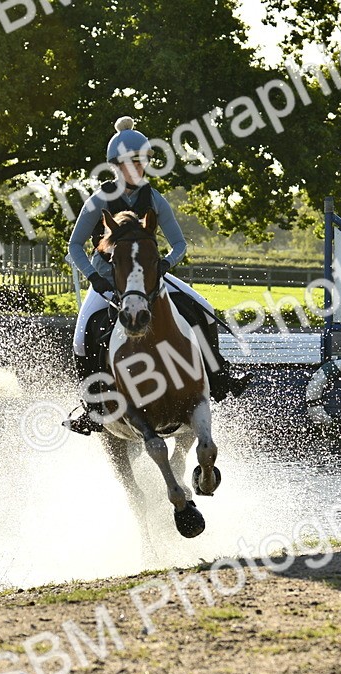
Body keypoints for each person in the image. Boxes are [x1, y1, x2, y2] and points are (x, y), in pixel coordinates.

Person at [63, 116, 250, 435]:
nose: (138, 168)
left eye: (143, 161)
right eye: (131, 162)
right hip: (109, 280)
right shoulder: (100, 199)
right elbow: (75, 246)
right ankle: (92, 409)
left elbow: (179, 244)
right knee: (83, 337)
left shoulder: (154, 198)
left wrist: (164, 264)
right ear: (116, 165)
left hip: (149, 278)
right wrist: (95, 279)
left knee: (201, 310)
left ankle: (218, 378)